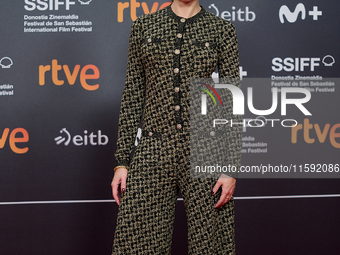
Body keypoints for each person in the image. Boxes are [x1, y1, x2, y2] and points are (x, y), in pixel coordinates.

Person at [111, 0, 242, 254]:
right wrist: (121, 161)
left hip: (204, 148)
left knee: (211, 245)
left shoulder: (222, 29)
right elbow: (132, 94)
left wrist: (229, 167)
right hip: (153, 145)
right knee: (137, 243)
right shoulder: (144, 27)